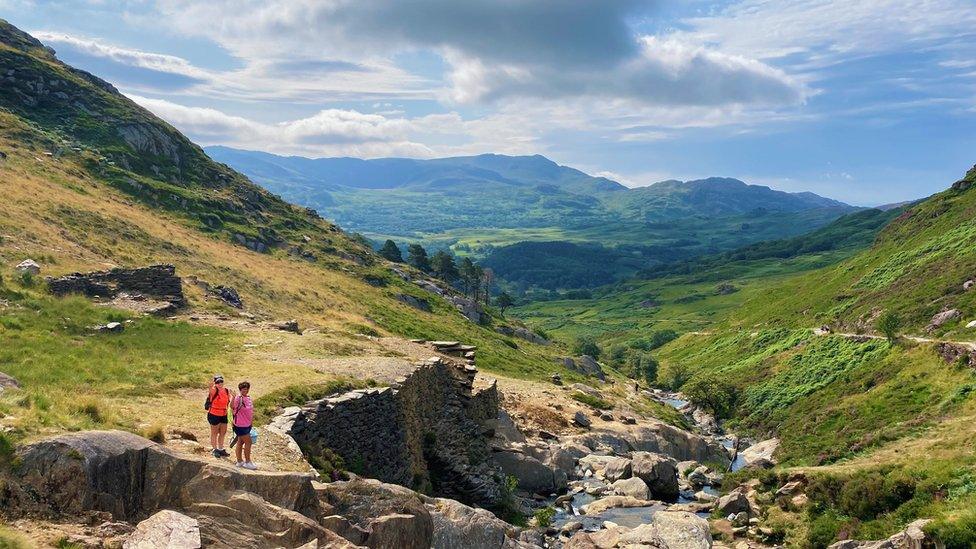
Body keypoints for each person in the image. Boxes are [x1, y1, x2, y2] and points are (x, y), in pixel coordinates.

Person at [231, 381, 257, 470]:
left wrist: (251, 423)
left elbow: (250, 412)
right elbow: (232, 407)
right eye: (243, 389)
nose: (245, 391)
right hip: (240, 425)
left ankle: (239, 461)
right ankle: (248, 462)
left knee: (240, 442)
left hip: (247, 424)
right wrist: (233, 397)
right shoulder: (238, 398)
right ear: (240, 390)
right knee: (248, 442)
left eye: (246, 389)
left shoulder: (248, 398)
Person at [206, 374, 232, 458]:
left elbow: (229, 402)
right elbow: (210, 388)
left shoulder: (227, 391)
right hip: (214, 414)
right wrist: (211, 384)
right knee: (214, 433)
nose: (220, 383)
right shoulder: (214, 390)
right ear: (215, 383)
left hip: (224, 414)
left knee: (223, 432)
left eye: (221, 381)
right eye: (217, 382)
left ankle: (220, 449)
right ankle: (215, 449)